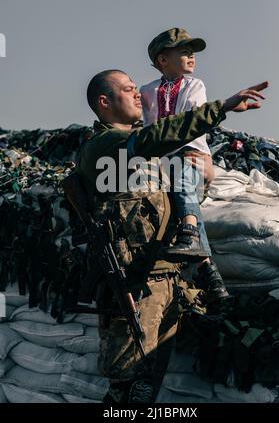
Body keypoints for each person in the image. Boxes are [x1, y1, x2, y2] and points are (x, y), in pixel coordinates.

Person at [77, 69, 268, 402]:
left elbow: (173, 198)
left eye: (137, 88)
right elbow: (161, 134)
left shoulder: (146, 154)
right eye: (127, 89)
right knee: (129, 391)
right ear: (104, 102)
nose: (138, 94)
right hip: (135, 285)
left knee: (149, 387)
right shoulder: (105, 146)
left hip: (166, 282)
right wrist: (220, 108)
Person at [140, 27, 227, 303]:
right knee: (175, 186)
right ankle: (207, 270)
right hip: (162, 160)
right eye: (184, 52)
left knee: (182, 170)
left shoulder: (195, 85)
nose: (192, 57)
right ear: (162, 60)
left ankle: (189, 230)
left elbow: (190, 121)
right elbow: (146, 127)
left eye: (192, 53)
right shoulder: (147, 91)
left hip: (191, 154)